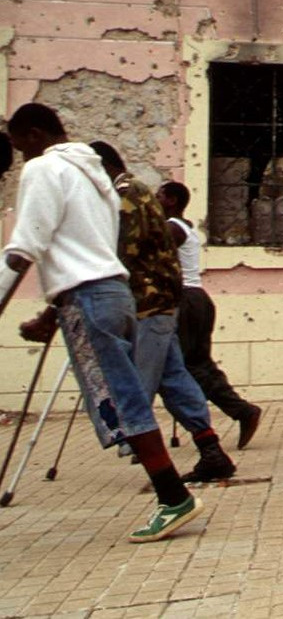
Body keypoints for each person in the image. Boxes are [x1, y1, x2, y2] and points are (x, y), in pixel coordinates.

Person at [3, 103, 203, 542]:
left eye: (20, 148)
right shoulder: (96, 177)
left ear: (34, 135)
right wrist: (53, 314)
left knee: (121, 400)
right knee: (125, 395)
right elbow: (85, 249)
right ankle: (173, 493)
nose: (21, 158)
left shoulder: (43, 170)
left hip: (90, 296)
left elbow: (25, 247)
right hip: (115, 292)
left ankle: (173, 497)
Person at [89, 142, 236, 483]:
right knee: (174, 378)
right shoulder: (133, 191)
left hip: (149, 301)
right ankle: (211, 450)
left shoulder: (125, 194)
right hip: (158, 300)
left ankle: (153, 463)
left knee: (140, 380)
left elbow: (124, 250)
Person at [156, 181, 262, 449]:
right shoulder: (185, 228)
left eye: (159, 196)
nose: (155, 200)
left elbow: (153, 255)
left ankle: (235, 413)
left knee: (183, 366)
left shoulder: (172, 228)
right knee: (199, 364)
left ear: (172, 200)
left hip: (185, 300)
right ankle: (241, 411)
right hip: (196, 298)